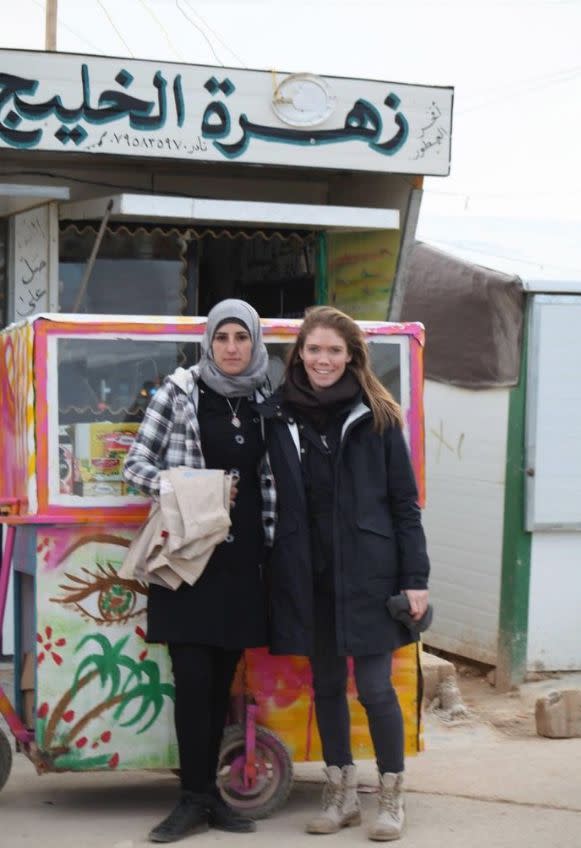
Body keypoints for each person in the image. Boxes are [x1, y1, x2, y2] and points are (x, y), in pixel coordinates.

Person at [261, 306, 430, 842]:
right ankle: (340, 796)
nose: (323, 359)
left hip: (371, 576)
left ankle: (391, 797)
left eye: (335, 350)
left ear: (352, 355)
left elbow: (405, 504)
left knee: (377, 689)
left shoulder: (378, 416)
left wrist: (415, 577)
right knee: (328, 686)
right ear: (299, 355)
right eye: (314, 349)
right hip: (309, 573)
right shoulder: (277, 415)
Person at [123, 299, 275, 844]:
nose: (231, 347)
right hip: (188, 558)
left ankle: (210, 797)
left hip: (242, 560)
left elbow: (271, 481)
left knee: (220, 685)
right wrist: (196, 487)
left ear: (255, 342)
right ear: (207, 342)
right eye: (222, 337)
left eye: (241, 337)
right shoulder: (179, 391)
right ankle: (189, 800)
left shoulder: (265, 399)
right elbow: (134, 467)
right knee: (190, 680)